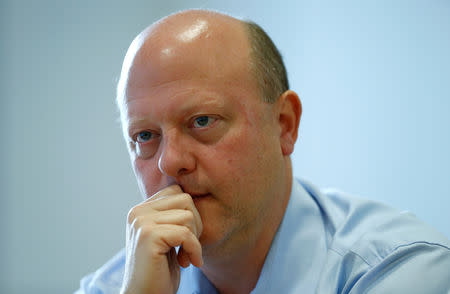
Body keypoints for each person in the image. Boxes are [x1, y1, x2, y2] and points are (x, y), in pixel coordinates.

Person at [76, 9, 450, 294]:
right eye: (144, 136)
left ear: (284, 125)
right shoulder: (115, 287)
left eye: (202, 121)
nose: (170, 161)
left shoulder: (399, 271)